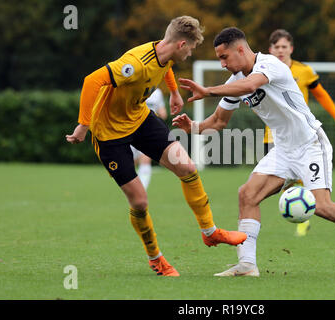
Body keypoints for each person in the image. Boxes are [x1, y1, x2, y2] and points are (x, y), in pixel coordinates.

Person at [173, 27, 335, 278]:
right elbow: (218, 122)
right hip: (283, 151)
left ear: (240, 49)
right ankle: (247, 265)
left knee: (322, 207)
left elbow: (251, 84)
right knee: (247, 195)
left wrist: (208, 90)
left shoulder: (270, 64)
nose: (222, 63)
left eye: (224, 57)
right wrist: (192, 127)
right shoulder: (234, 82)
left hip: (310, 144)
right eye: (219, 58)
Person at [66, 17, 247, 277]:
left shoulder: (165, 53)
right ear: (182, 44)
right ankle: (156, 259)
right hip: (109, 134)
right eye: (191, 48)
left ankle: (210, 232)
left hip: (139, 119)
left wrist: (173, 92)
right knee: (139, 202)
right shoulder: (134, 65)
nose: (191, 53)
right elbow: (92, 81)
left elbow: (166, 67)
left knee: (186, 166)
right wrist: (83, 125)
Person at [267, 29, 335, 237]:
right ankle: (298, 210)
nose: (280, 50)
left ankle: (302, 215)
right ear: (270, 49)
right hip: (273, 137)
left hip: (302, 137)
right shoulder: (264, 71)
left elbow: (321, 94)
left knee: (306, 182)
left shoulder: (303, 71)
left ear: (291, 49)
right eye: (276, 47)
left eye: (284, 47)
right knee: (282, 183)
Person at [131, 88, 167, 190]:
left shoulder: (157, 92)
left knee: (146, 160)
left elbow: (163, 113)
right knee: (131, 162)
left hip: (148, 131)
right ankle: (132, 189)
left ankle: (141, 190)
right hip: (130, 130)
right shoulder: (135, 87)